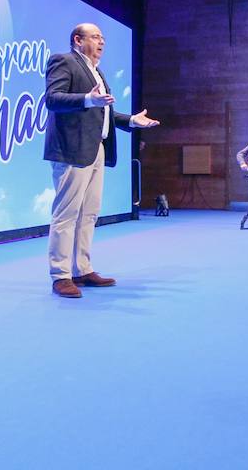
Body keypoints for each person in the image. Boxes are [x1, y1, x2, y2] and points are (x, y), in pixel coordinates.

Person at [44, 23, 161, 298]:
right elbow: (52, 99)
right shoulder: (64, 61)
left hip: (96, 149)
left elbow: (103, 111)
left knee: (89, 213)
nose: (102, 43)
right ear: (77, 39)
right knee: (66, 214)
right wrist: (87, 99)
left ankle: (82, 269)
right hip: (72, 149)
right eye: (96, 37)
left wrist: (131, 120)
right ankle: (60, 275)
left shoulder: (97, 70)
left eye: (103, 39)